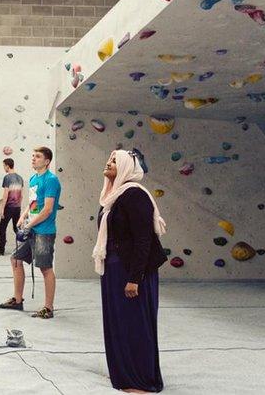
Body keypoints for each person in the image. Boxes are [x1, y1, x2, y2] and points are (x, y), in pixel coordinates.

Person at [94, 149, 167, 393]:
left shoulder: (135, 195)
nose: (108, 162)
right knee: (119, 324)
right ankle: (125, 375)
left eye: (114, 160)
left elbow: (143, 240)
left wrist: (134, 279)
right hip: (114, 271)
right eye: (109, 158)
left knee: (136, 325)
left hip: (132, 273)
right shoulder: (112, 197)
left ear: (126, 167)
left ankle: (142, 381)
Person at [0, 147, 61, 319]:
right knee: (15, 259)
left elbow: (47, 210)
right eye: (33, 156)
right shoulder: (33, 179)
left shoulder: (51, 180)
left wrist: (29, 225)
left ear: (47, 161)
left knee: (45, 268)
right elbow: (33, 203)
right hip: (31, 227)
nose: (33, 159)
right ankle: (17, 300)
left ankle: (48, 308)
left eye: (37, 156)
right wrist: (23, 216)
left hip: (44, 231)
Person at [0, 158, 24, 256]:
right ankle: (23, 249)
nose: (4, 168)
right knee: (17, 229)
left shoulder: (7, 178)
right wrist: (19, 205)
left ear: (7, 166)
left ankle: (1, 250)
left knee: (2, 229)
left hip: (8, 207)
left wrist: (2, 209)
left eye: (4, 166)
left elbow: (5, 195)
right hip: (17, 207)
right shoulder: (20, 178)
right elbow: (21, 195)